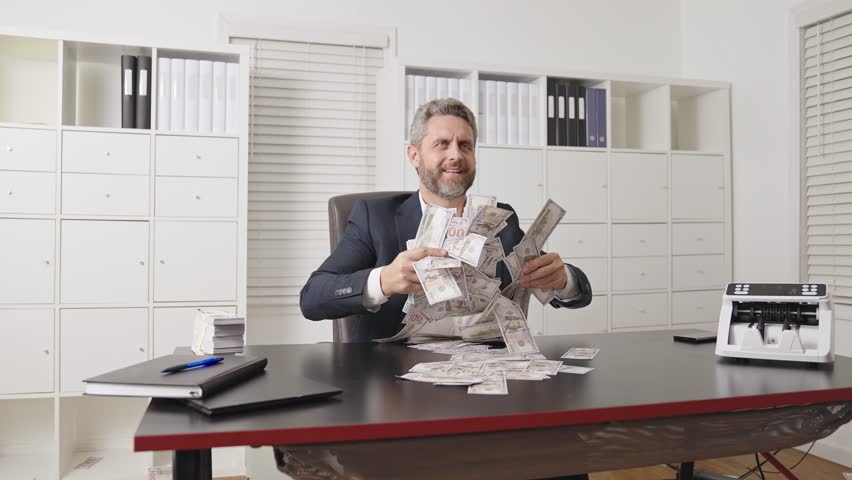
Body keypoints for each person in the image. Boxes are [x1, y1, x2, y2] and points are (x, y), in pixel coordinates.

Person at [301, 97, 592, 480]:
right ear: (414, 155)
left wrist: (563, 279)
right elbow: (314, 296)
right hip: (399, 380)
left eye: (465, 145)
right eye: (442, 144)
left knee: (561, 452)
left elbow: (577, 293)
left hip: (489, 374)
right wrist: (384, 280)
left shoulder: (500, 219)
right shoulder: (376, 217)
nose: (455, 155)